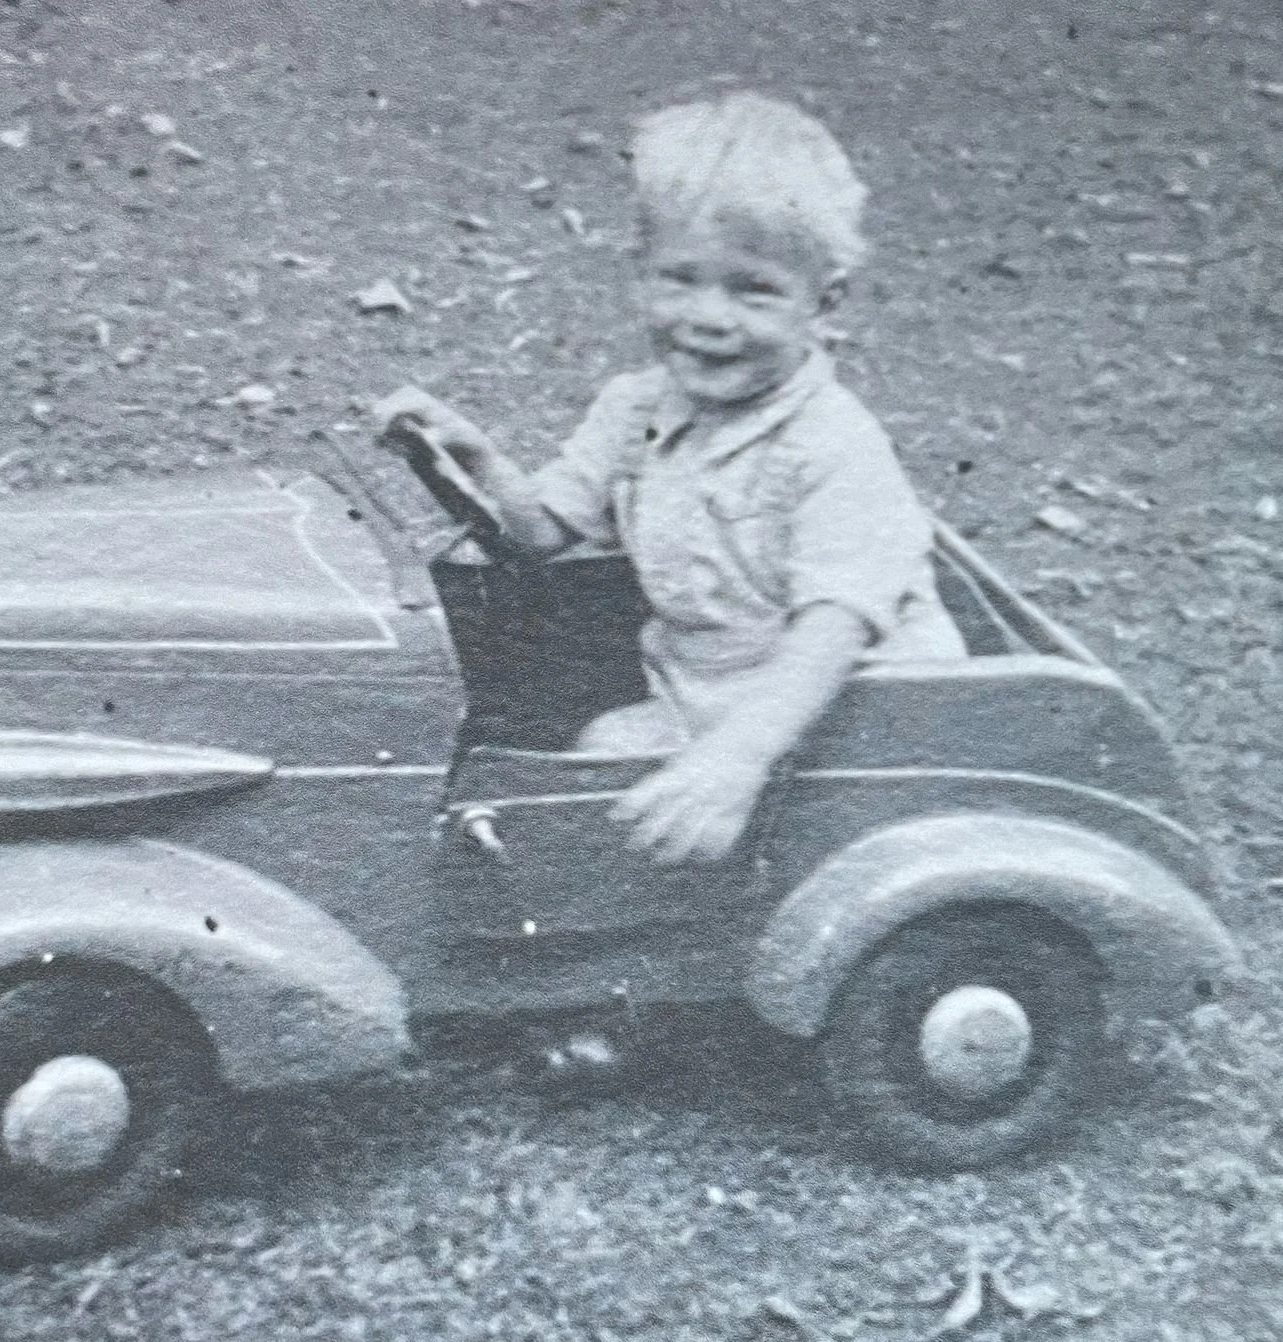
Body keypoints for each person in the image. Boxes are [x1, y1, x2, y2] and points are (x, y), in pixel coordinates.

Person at [376, 92, 965, 866]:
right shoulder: (639, 407)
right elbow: (547, 531)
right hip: (703, 695)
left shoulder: (834, 447)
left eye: (752, 289)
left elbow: (833, 631)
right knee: (592, 764)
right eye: (679, 279)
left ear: (825, 301)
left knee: (616, 813)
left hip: (847, 724)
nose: (707, 316)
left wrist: (737, 761)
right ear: (640, 273)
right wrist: (475, 457)